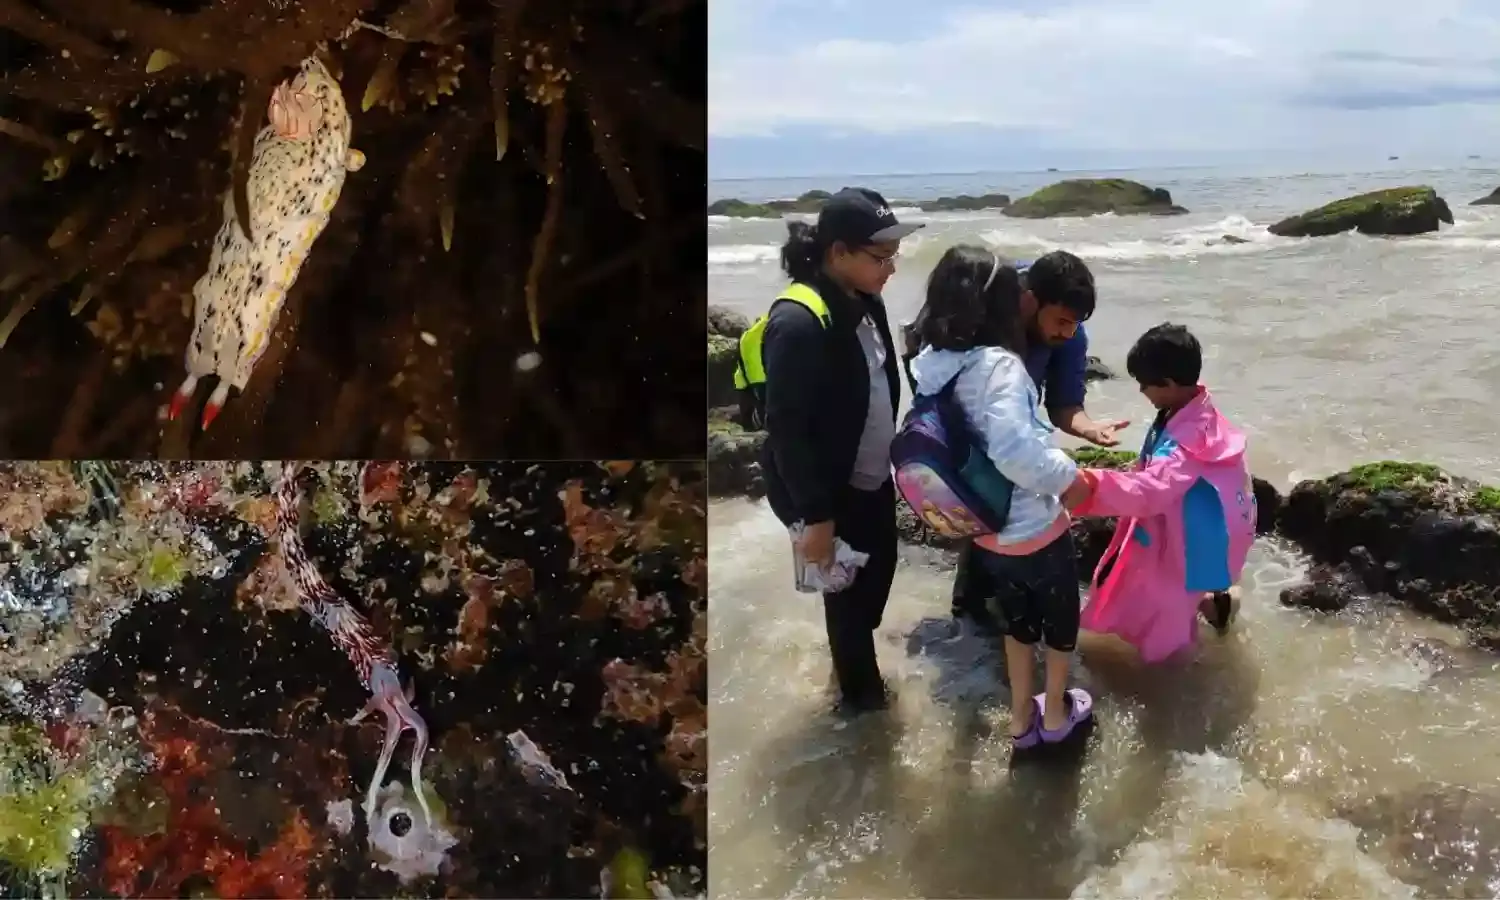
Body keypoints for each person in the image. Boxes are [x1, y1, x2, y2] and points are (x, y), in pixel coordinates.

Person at [907, 244, 1095, 747]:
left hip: (985, 527)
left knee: (1015, 625)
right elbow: (1016, 451)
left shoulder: (934, 362)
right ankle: (1054, 719)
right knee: (1058, 627)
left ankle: (1018, 723)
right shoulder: (1000, 366)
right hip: (1033, 526)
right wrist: (1071, 478)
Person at [757, 187, 922, 714]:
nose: (890, 268)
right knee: (848, 606)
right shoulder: (798, 323)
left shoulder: (865, 300)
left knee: (873, 586)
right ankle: (861, 711)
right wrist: (817, 518)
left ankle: (847, 672)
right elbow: (786, 430)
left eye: (894, 255)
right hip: (829, 492)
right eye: (880, 257)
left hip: (872, 480)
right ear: (837, 253)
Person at [902, 250, 1125, 633]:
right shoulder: (982, 299)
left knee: (1003, 511)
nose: (1066, 333)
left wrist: (1089, 429)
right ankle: (973, 615)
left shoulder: (1068, 334)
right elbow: (931, 361)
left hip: (1010, 433)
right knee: (980, 505)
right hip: (968, 430)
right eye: (1060, 322)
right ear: (1029, 297)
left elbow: (1064, 405)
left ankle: (1001, 626)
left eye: (1074, 325)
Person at [1065, 323, 1256, 663]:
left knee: (1165, 632)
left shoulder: (1188, 439)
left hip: (1186, 545)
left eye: (1144, 384)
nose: (1141, 391)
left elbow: (1153, 490)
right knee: (1154, 590)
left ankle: (1174, 687)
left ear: (1168, 384)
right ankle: (1217, 606)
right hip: (1202, 532)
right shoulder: (1195, 409)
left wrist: (1090, 484)